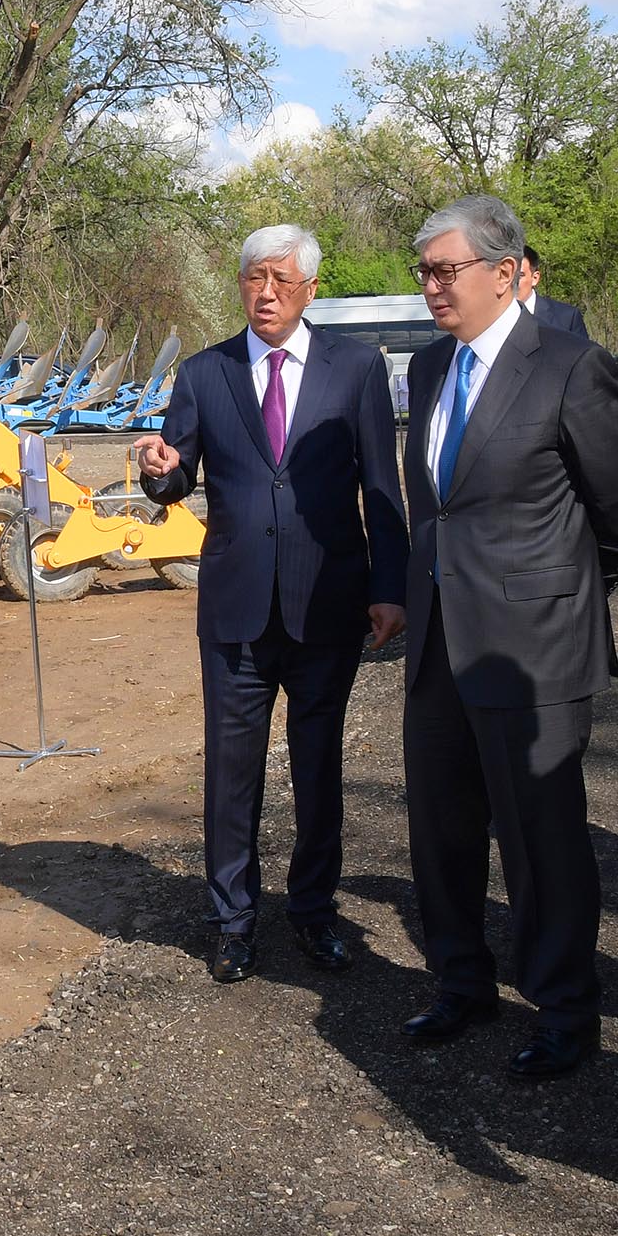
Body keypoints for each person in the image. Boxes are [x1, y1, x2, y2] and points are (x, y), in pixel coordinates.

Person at [396, 194, 618, 1080]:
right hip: (438, 645)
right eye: (423, 271)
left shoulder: (570, 366)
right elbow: (432, 505)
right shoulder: (430, 370)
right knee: (442, 830)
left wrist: (569, 590)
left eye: (445, 270)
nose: (431, 286)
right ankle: (461, 982)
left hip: (534, 644)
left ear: (506, 273)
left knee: (541, 840)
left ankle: (564, 1010)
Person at [135, 225, 408, 982]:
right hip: (236, 609)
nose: (266, 293)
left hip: (328, 601)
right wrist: (159, 471)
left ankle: (314, 913)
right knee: (231, 771)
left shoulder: (354, 368)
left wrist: (392, 587)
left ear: (310, 289)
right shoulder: (204, 372)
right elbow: (174, 473)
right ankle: (231, 919)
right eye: (255, 278)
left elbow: (380, 488)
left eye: (282, 280)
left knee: (319, 768)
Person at [517, 245, 591, 339]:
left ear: (535, 278)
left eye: (519, 275)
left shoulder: (566, 319)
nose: (510, 282)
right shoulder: (494, 317)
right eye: (505, 274)